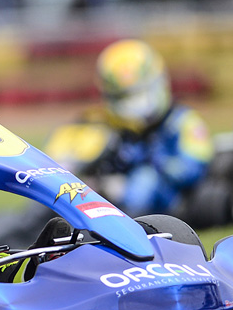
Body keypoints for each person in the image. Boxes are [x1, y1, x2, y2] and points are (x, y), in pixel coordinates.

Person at [88, 39, 214, 216]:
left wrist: (156, 162)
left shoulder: (183, 121)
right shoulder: (110, 128)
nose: (133, 109)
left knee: (144, 178)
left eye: (138, 96)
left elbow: (192, 169)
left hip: (172, 197)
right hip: (120, 189)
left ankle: (130, 221)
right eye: (124, 99)